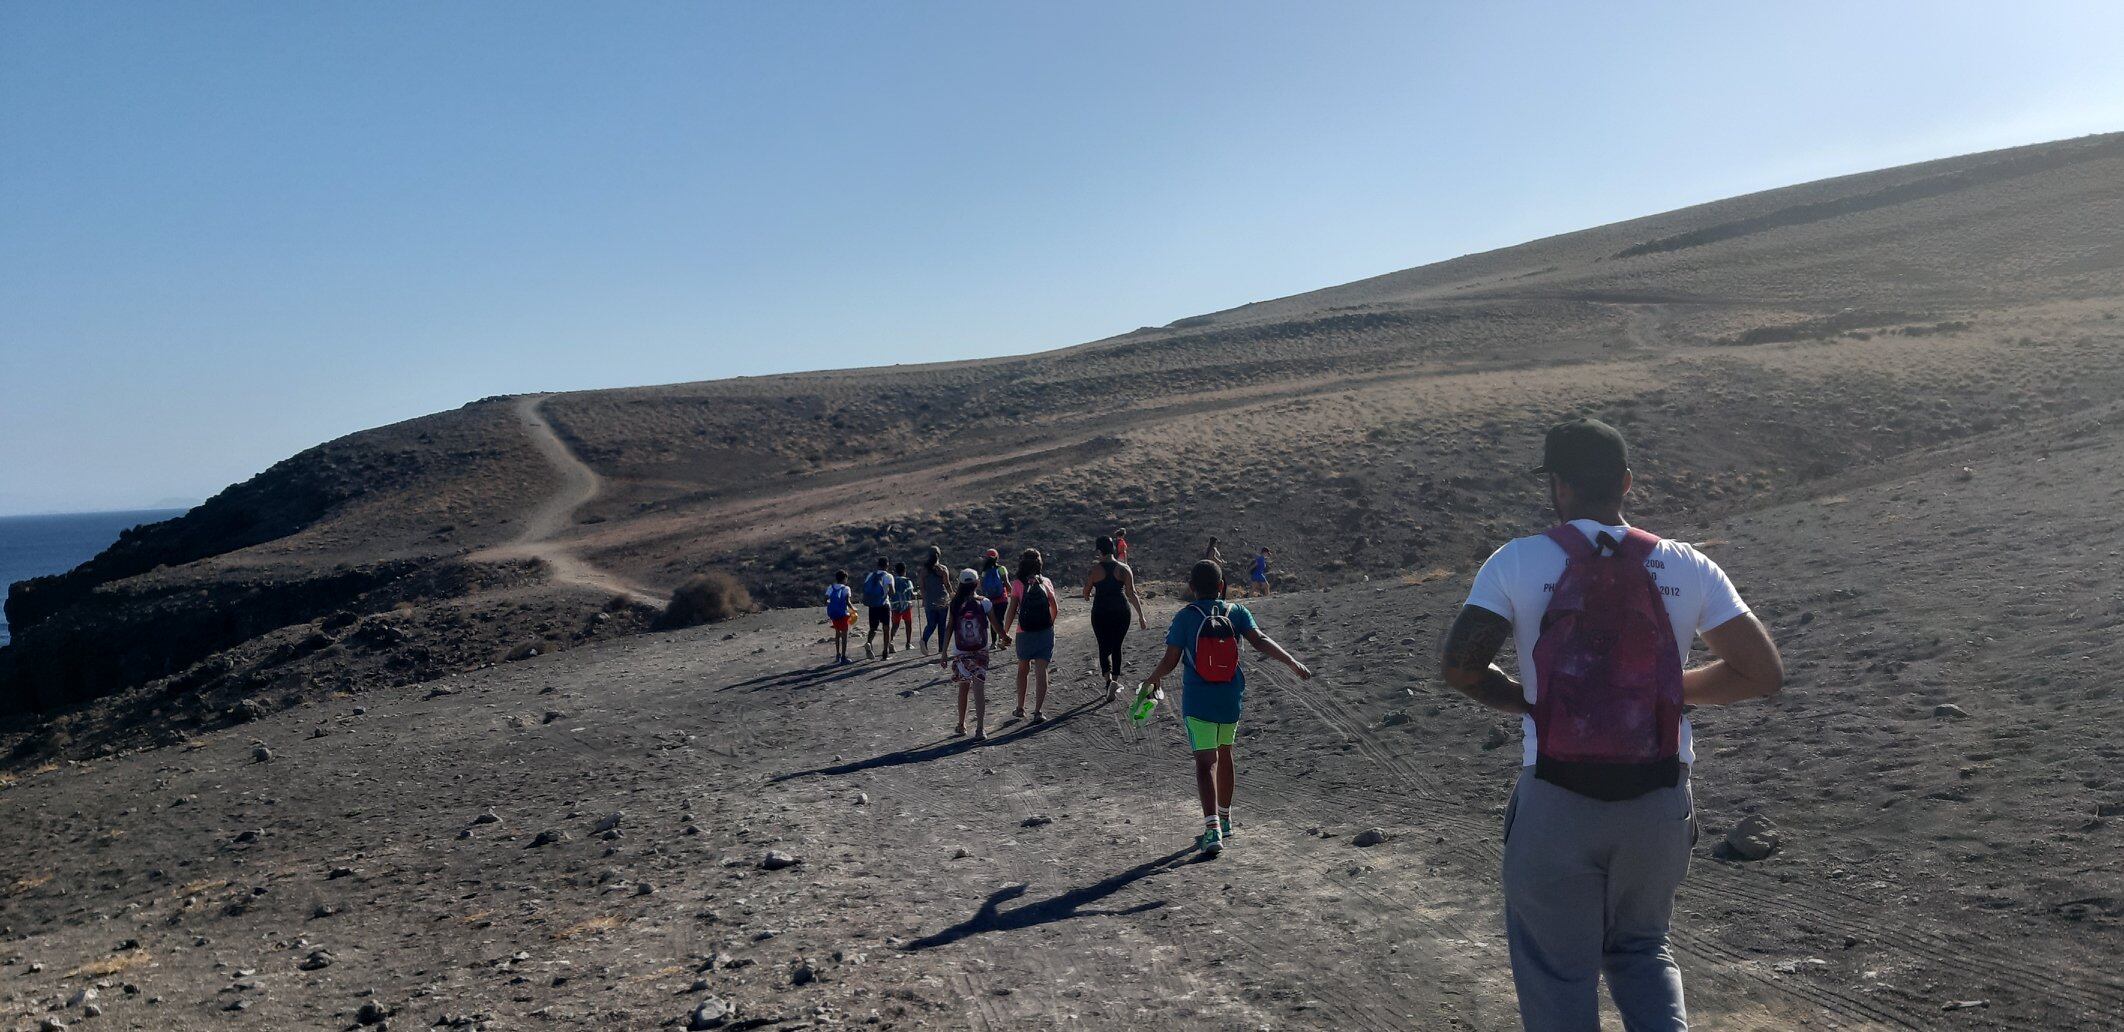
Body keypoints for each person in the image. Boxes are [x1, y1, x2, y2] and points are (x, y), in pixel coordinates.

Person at [1439, 417, 1784, 1032]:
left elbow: (1461, 667)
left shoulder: (1516, 562)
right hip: (1656, 800)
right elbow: (1761, 672)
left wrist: (1526, 701)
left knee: (1558, 972)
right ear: (1626, 482)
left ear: (1558, 487)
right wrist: (1667, 695)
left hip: (1556, 796)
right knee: (1644, 950)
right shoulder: (1686, 566)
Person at [1141, 559, 1312, 855]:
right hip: (1231, 696)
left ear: (1191, 588)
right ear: (1222, 586)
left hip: (1199, 700)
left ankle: (1212, 831)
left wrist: (1152, 679)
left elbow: (1170, 660)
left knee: (1204, 763)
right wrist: (1292, 662)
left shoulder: (1186, 617)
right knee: (1226, 753)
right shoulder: (1237, 612)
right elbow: (1260, 640)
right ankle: (1226, 818)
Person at [1082, 535, 1148, 697]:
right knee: (1117, 646)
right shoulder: (1124, 568)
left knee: (1103, 646)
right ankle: (1115, 680)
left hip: (1100, 612)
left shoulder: (1095, 569)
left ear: (1099, 551)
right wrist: (1141, 616)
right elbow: (1131, 594)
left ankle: (1108, 681)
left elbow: (1086, 593)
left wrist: (1090, 593)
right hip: (1121, 611)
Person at [1000, 548, 1059, 723]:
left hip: (1024, 633)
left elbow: (1011, 610)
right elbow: (1055, 607)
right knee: (1041, 671)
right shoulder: (1046, 582)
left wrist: (1005, 632)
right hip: (1044, 632)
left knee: (1023, 670)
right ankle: (1038, 711)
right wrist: (1050, 625)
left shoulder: (1018, 584)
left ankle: (1020, 708)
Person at [939, 569, 995, 740]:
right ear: (977, 583)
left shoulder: (955, 604)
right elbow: (995, 625)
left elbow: (949, 628)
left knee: (963, 688)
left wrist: (943, 653)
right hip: (980, 652)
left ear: (961, 584)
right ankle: (980, 728)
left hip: (961, 653)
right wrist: (1005, 636)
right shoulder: (984, 602)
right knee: (979, 688)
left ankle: (961, 725)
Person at [918, 547, 953, 655]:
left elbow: (922, 587)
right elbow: (947, 584)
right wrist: (952, 595)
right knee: (942, 625)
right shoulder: (942, 569)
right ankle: (941, 648)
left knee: (931, 624)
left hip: (929, 601)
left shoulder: (924, 570)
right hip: (942, 600)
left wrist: (924, 599)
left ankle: (924, 640)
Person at [860, 557, 896, 659]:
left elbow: (865, 589)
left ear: (878, 565)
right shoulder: (888, 576)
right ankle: (885, 652)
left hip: (872, 605)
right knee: (886, 628)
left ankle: (869, 643)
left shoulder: (870, 575)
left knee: (873, 628)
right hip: (884, 605)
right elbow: (892, 592)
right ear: (887, 565)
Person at [823, 570, 855, 665]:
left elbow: (825, 600)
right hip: (843, 614)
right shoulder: (846, 588)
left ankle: (838, 655)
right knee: (844, 635)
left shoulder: (831, 587)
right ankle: (844, 657)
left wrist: (831, 605)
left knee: (837, 633)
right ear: (844, 578)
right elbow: (848, 602)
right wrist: (854, 609)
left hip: (834, 614)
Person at [978, 548, 1011, 638]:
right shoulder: (1001, 569)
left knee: (993, 620)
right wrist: (1012, 594)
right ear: (997, 558)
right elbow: (1007, 583)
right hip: (1002, 598)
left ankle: (993, 642)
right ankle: (1002, 639)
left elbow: (981, 585)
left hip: (990, 600)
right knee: (1000, 619)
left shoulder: (985, 571)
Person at [890, 561, 917, 652]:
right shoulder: (907, 581)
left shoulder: (893, 580)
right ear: (905, 571)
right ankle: (908, 643)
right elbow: (912, 594)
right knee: (908, 624)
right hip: (906, 605)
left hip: (895, 605)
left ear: (895, 571)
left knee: (895, 625)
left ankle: (891, 641)